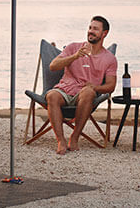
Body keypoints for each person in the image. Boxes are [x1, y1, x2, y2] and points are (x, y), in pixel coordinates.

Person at [46, 16, 117, 155]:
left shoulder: (109, 58)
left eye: (95, 29)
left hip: (85, 94)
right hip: (65, 90)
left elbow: (111, 86)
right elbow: (53, 66)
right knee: (51, 95)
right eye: (90, 28)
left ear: (104, 33)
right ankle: (61, 140)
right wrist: (74, 56)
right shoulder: (73, 47)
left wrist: (95, 87)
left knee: (88, 93)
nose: (91, 31)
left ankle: (74, 137)